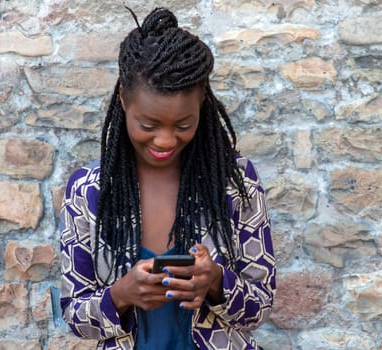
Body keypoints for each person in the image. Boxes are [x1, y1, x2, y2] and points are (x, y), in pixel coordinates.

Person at [59, 7, 276, 350]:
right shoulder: (89, 191)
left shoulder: (236, 182)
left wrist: (217, 282)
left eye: (183, 125)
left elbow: (261, 306)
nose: (164, 140)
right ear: (123, 101)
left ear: (202, 105)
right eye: (148, 125)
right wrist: (120, 294)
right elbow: (74, 316)